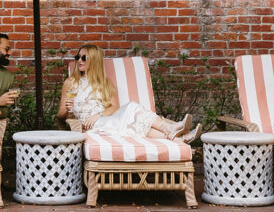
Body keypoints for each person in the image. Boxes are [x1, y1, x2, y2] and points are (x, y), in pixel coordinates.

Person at [58, 44, 202, 143]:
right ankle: (172, 129)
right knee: (133, 111)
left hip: (105, 119)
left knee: (134, 120)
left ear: (94, 60)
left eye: (84, 58)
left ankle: (178, 138)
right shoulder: (70, 83)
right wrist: (67, 108)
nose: (79, 61)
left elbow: (114, 108)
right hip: (91, 127)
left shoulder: (105, 83)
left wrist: (97, 115)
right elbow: (61, 115)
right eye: (78, 57)